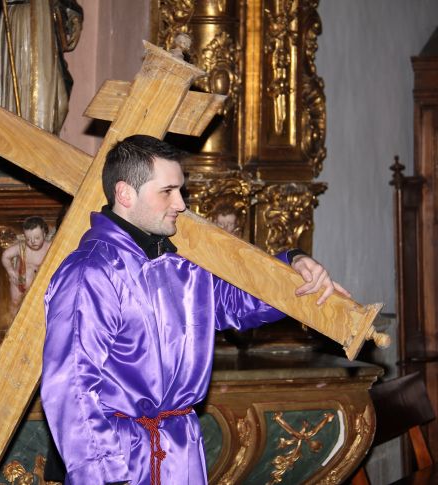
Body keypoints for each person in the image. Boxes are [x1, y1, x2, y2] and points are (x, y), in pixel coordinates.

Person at [40, 135, 350, 485]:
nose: (181, 204)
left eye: (181, 191)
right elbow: (71, 384)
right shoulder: (90, 272)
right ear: (125, 194)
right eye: (168, 191)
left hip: (180, 452)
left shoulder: (182, 264)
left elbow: (236, 302)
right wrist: (101, 473)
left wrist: (294, 267)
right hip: (123, 462)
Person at [0, 0, 83, 134]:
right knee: (21, 105)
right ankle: (24, 143)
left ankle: (40, 144)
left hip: (44, 22)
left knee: (59, 106)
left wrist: (72, 15)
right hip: (20, 22)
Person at [1, 216, 52, 314]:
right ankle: (14, 324)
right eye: (28, 239)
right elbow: (5, 255)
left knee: (39, 307)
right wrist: (10, 271)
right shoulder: (22, 247)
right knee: (15, 302)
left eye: (37, 238)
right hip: (20, 280)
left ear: (44, 234)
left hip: (41, 283)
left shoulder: (50, 247)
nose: (32, 242)